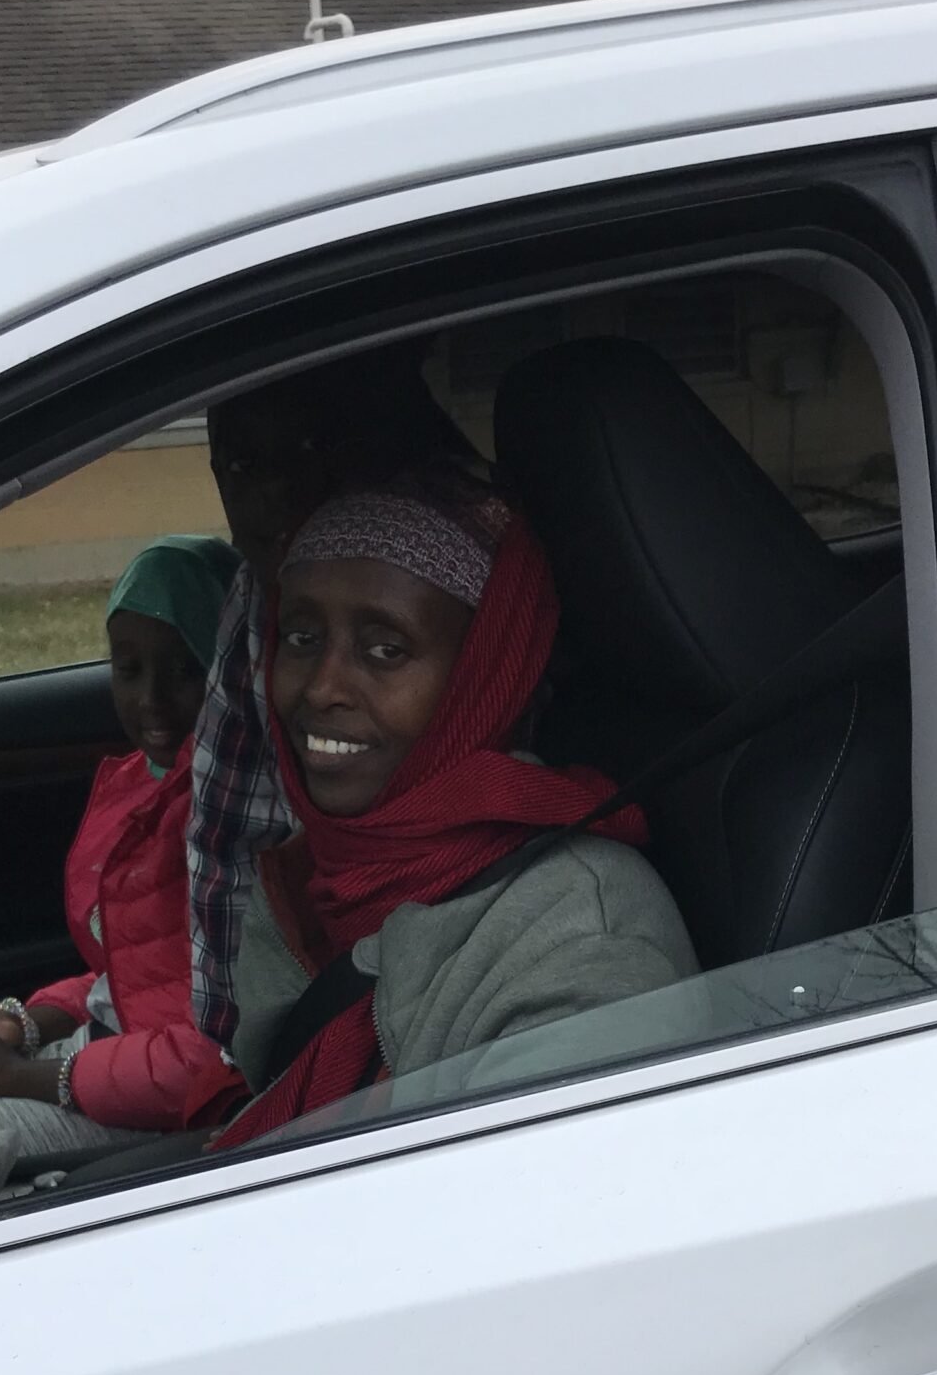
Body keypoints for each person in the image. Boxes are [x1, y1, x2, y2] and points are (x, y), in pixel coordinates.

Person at [212, 478, 697, 1149]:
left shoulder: (585, 940)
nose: (323, 687)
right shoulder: (315, 868)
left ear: (484, 672)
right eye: (300, 637)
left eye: (387, 650)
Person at [0, 533, 241, 1201]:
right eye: (129, 668)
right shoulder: (141, 782)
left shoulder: (227, 820)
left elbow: (206, 1060)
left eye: (186, 669)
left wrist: (24, 1074)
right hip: (107, 1054)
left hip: (175, 1106)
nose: (152, 702)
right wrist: (21, 1024)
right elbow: (132, 971)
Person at [190, 345, 490, 1046]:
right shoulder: (253, 596)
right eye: (244, 466)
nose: (277, 492)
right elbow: (225, 841)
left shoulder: (559, 917)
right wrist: (228, 1054)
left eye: (384, 650)